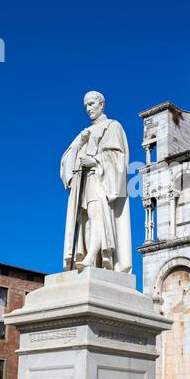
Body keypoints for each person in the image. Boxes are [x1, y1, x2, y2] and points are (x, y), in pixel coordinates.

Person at [60, 91, 132, 273]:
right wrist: (79, 144)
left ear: (101, 104)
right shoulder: (84, 133)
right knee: (86, 222)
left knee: (97, 214)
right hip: (83, 182)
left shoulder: (112, 126)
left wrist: (96, 160)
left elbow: (119, 157)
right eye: (85, 106)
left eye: (91, 104)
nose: (88, 109)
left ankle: (91, 257)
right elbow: (66, 159)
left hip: (100, 180)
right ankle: (90, 260)